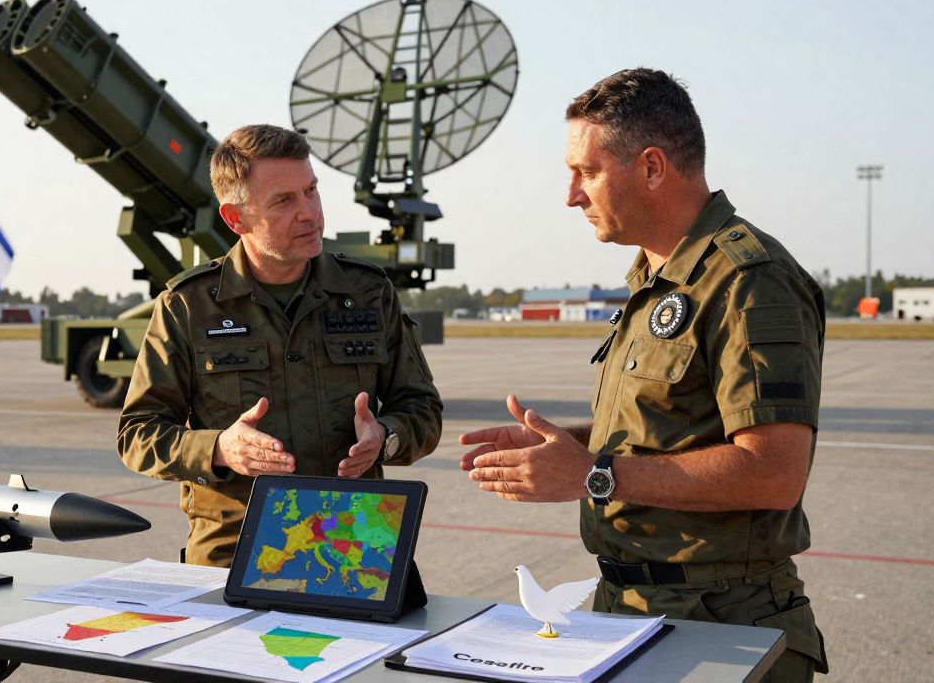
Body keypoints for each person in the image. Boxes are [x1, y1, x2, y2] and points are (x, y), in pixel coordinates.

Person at [460, 69, 828, 681]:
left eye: (588, 171)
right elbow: (667, 427)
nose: (571, 194)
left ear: (652, 168)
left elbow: (775, 472)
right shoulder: (656, 282)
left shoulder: (748, 281)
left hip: (722, 623)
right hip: (628, 608)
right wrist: (568, 446)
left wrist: (592, 474)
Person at [118, 123, 443, 567]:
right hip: (237, 552)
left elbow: (422, 408)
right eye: (284, 201)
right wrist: (219, 448)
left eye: (311, 190)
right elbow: (138, 434)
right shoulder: (188, 306)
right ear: (236, 218)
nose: (309, 212)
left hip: (352, 548)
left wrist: (385, 437)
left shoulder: (369, 293)